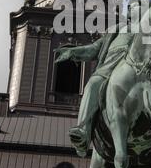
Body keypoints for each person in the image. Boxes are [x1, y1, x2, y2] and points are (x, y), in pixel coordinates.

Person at [55, 23, 134, 157]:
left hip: (136, 72)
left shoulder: (146, 31)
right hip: (108, 70)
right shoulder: (113, 33)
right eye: (131, 9)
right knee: (92, 84)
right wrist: (72, 51)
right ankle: (83, 131)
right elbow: (92, 49)